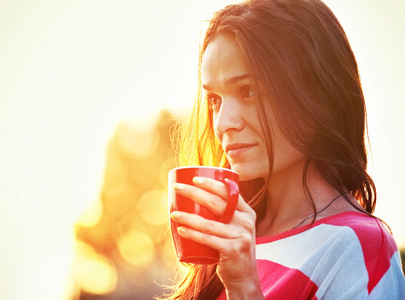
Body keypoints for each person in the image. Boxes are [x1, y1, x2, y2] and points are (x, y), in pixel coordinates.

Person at [163, 0, 405, 299]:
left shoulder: (357, 247)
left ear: (321, 98)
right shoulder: (231, 239)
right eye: (214, 99)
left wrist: (244, 288)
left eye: (248, 91)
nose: (223, 123)